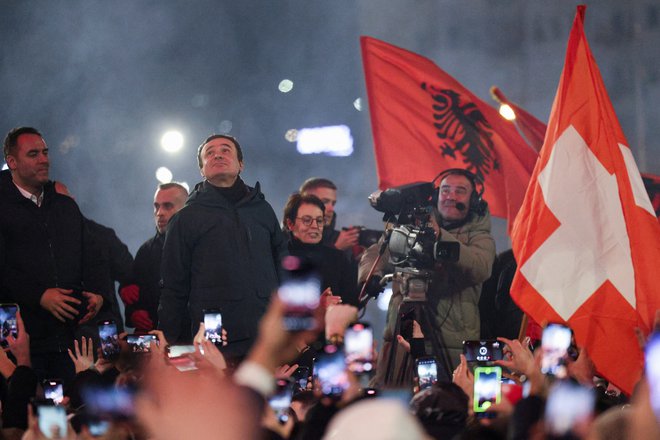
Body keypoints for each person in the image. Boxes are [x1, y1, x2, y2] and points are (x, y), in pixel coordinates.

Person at [359, 168, 496, 387]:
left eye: (460, 191)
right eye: (445, 190)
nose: (451, 196)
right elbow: (377, 252)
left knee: (447, 401)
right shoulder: (411, 224)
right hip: (402, 334)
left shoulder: (480, 237)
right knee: (395, 398)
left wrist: (439, 236)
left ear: (474, 201)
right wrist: (371, 275)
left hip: (451, 345)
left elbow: (480, 267)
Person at [158, 134, 287, 360]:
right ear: (201, 169)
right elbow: (173, 288)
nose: (217, 154)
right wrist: (170, 342)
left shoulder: (263, 210)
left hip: (266, 338)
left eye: (226, 150)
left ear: (241, 164)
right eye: (209, 153)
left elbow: (283, 267)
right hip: (216, 343)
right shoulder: (185, 219)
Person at [0, 126, 104, 385]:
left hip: (70, 340)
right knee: (27, 418)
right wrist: (39, 296)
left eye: (45, 152)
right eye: (33, 154)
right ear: (12, 162)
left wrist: (99, 294)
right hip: (21, 344)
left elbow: (92, 255)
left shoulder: (66, 207)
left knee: (71, 415)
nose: (44, 159)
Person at [54, 181, 133, 337]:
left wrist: (127, 294)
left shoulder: (101, 236)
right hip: (63, 335)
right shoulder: (40, 241)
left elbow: (130, 272)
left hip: (102, 328)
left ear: (73, 201)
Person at [120, 182, 188, 332]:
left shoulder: (202, 247)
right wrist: (134, 314)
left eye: (167, 206)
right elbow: (133, 292)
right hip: (156, 342)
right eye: (156, 206)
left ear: (186, 209)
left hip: (194, 339)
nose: (159, 213)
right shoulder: (146, 251)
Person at [282, 193, 358, 307]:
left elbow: (352, 308)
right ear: (290, 224)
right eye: (307, 220)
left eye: (319, 220)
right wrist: (318, 306)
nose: (315, 226)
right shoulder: (276, 259)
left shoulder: (339, 260)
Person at [299, 178, 360, 252]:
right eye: (324, 202)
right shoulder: (285, 240)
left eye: (333, 203)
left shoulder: (342, 240)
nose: (331, 209)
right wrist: (336, 249)